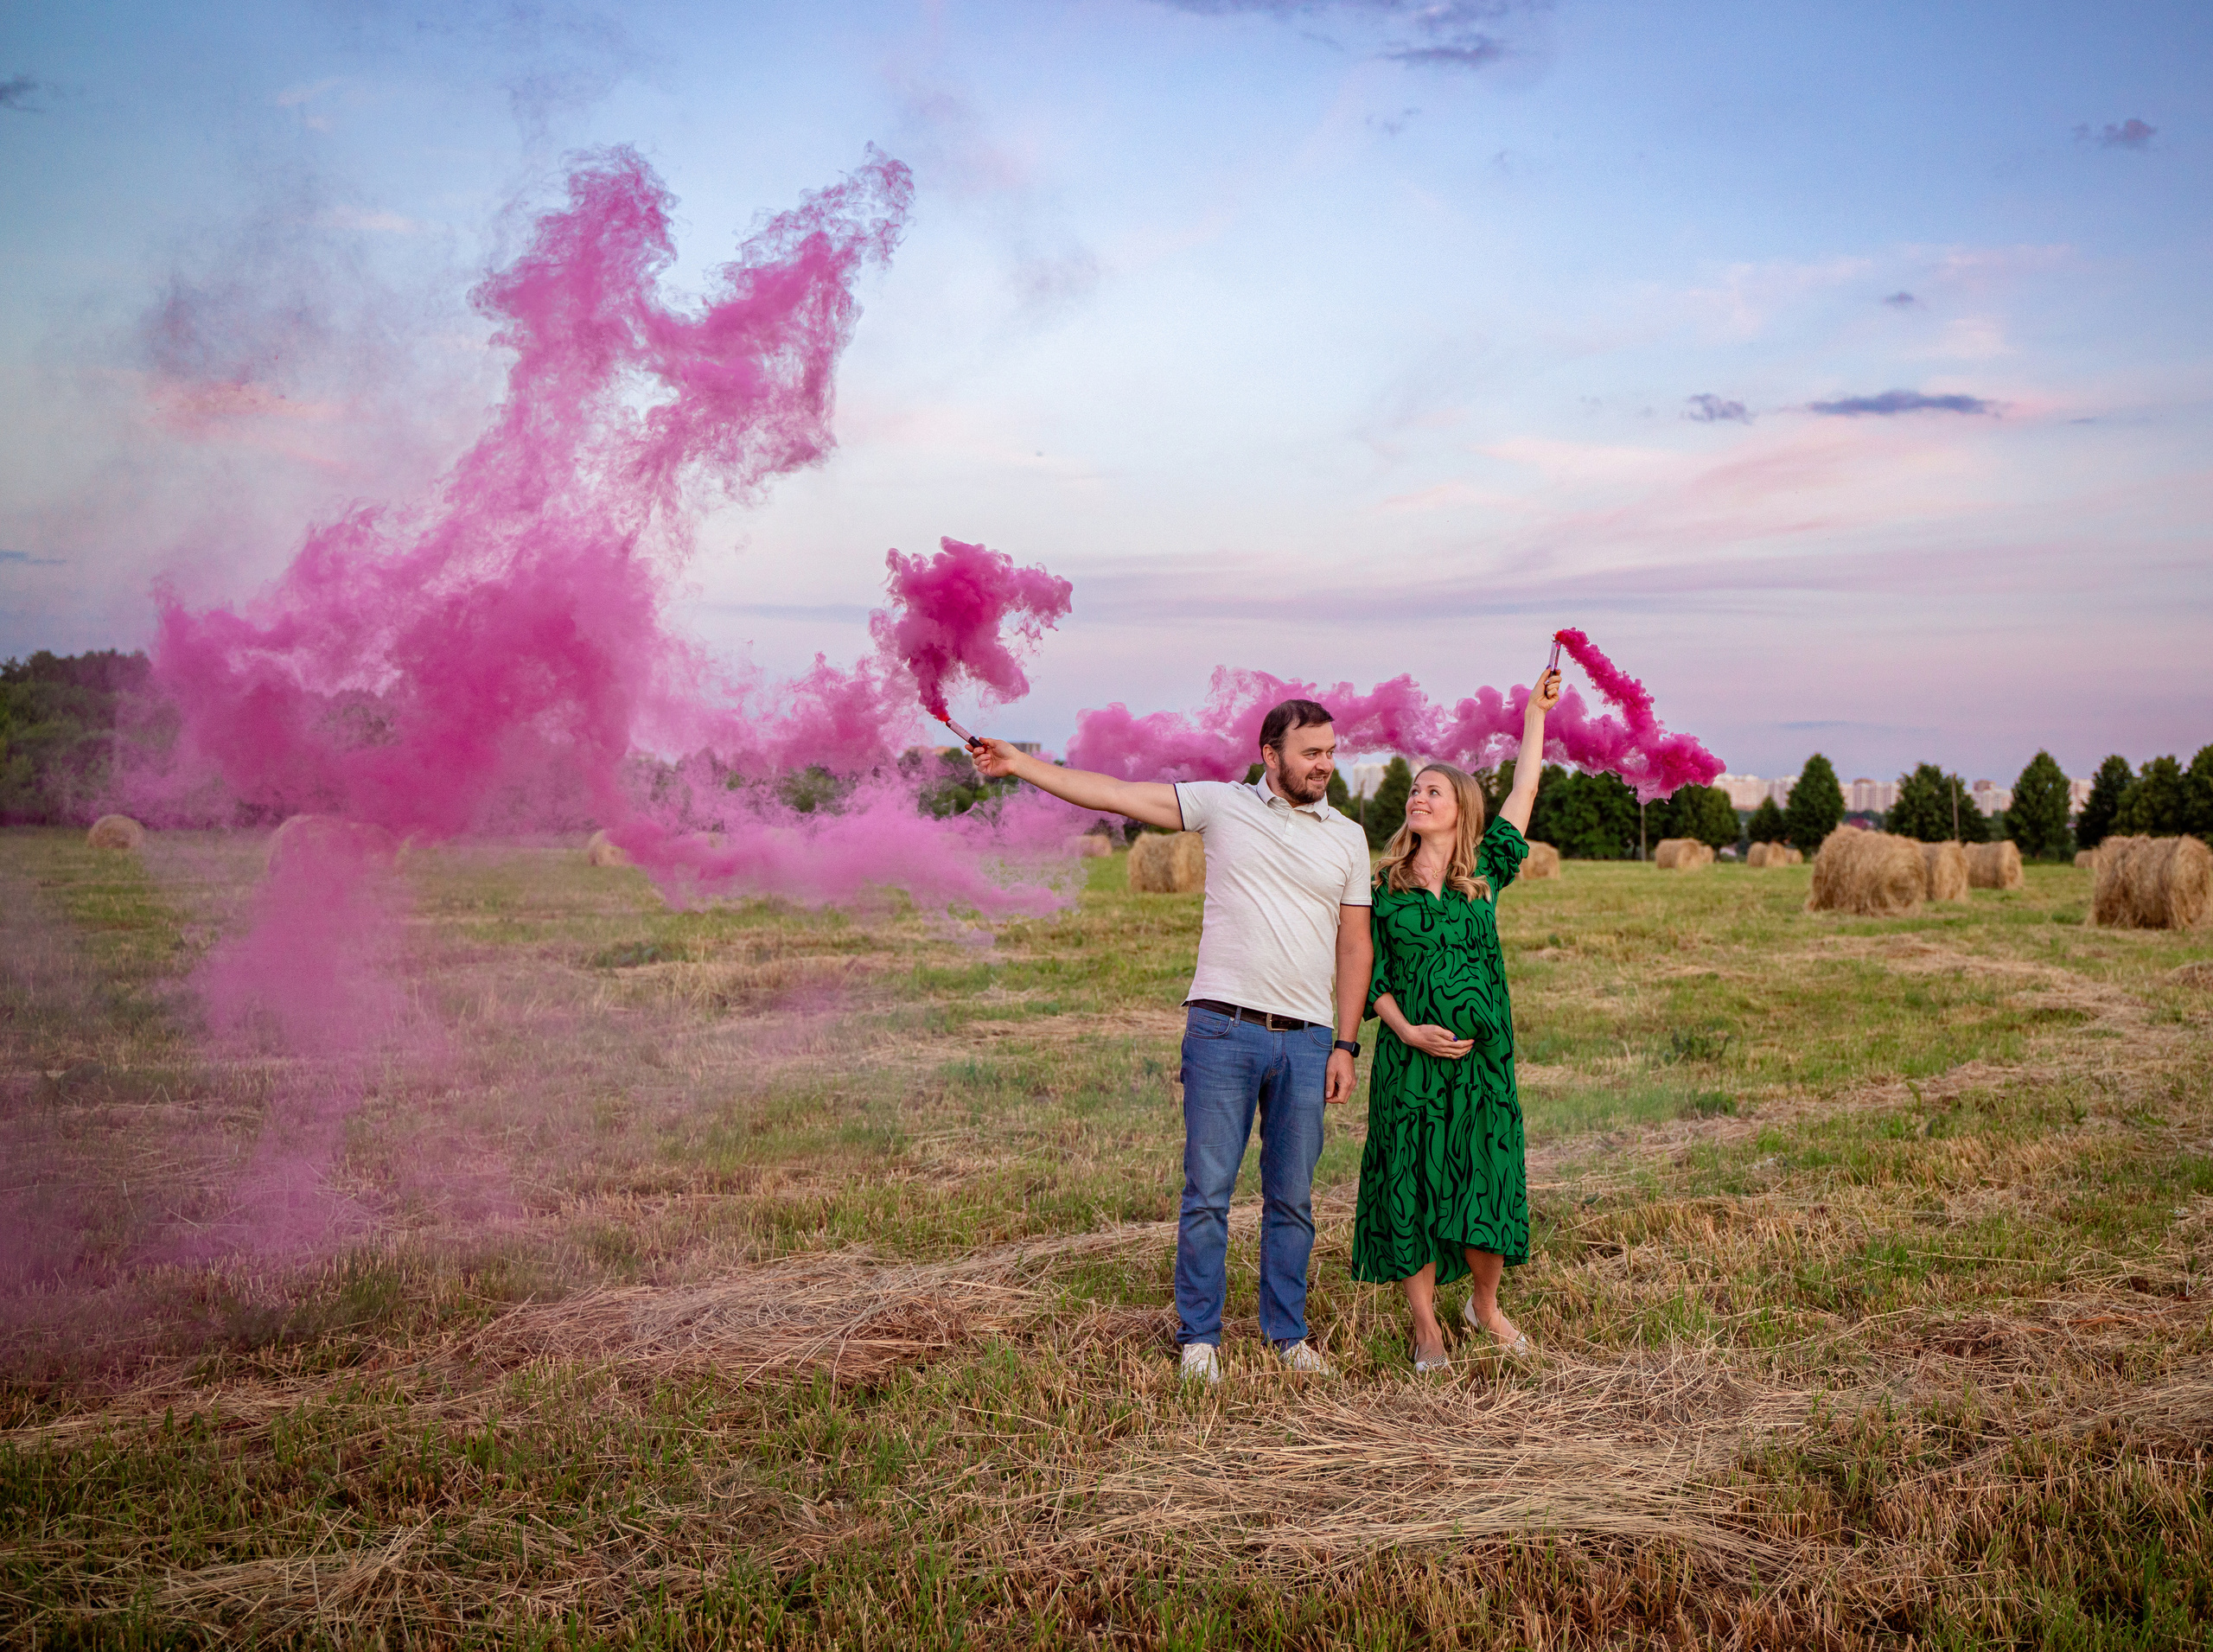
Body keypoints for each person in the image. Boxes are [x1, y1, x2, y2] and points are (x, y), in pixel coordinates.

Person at [969, 700, 1373, 1383]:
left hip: (1307, 1039)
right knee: (1209, 1191)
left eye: (1330, 751)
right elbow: (1116, 793)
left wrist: (1347, 1043)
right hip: (1222, 1028)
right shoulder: (1221, 806)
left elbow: (1356, 942)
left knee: (1293, 1198)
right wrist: (1020, 764)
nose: (1324, 764)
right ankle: (1200, 1339)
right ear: (1270, 755)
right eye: (1310, 752)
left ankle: (1288, 1334)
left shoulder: (1349, 836)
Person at [1351, 665, 1562, 1371]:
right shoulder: (1382, 887)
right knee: (1409, 1183)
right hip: (1411, 1063)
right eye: (1414, 789)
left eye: (1431, 790)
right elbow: (1368, 973)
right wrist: (1405, 1029)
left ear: (1461, 809)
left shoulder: (1486, 874)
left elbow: (1526, 788)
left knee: (1488, 1180)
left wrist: (1533, 715)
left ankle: (1484, 1304)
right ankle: (1425, 1325)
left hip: (1482, 1064)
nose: (1417, 796)